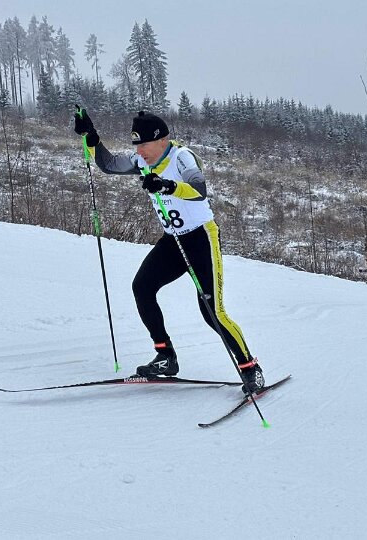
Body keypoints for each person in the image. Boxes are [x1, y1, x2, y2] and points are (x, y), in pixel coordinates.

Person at [73, 108, 265, 394]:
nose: (139, 151)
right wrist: (91, 136)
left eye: (144, 144)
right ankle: (166, 356)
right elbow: (109, 165)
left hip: (201, 239)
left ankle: (250, 368)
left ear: (162, 140)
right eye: (136, 145)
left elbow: (199, 189)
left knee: (212, 311)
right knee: (142, 287)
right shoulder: (142, 161)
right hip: (173, 241)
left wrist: (167, 185)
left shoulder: (181, 157)